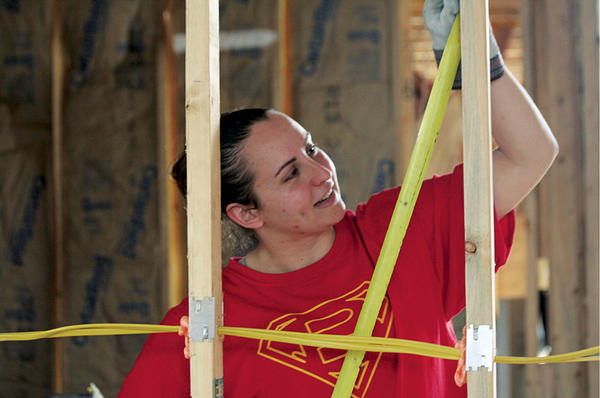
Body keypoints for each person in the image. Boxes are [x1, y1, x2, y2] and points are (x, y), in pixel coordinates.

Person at [118, 0, 558, 396]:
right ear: (246, 213)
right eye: (291, 174)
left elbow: (530, 154)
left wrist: (480, 63)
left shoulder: (399, 231)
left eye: (309, 148)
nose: (320, 172)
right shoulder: (201, 330)